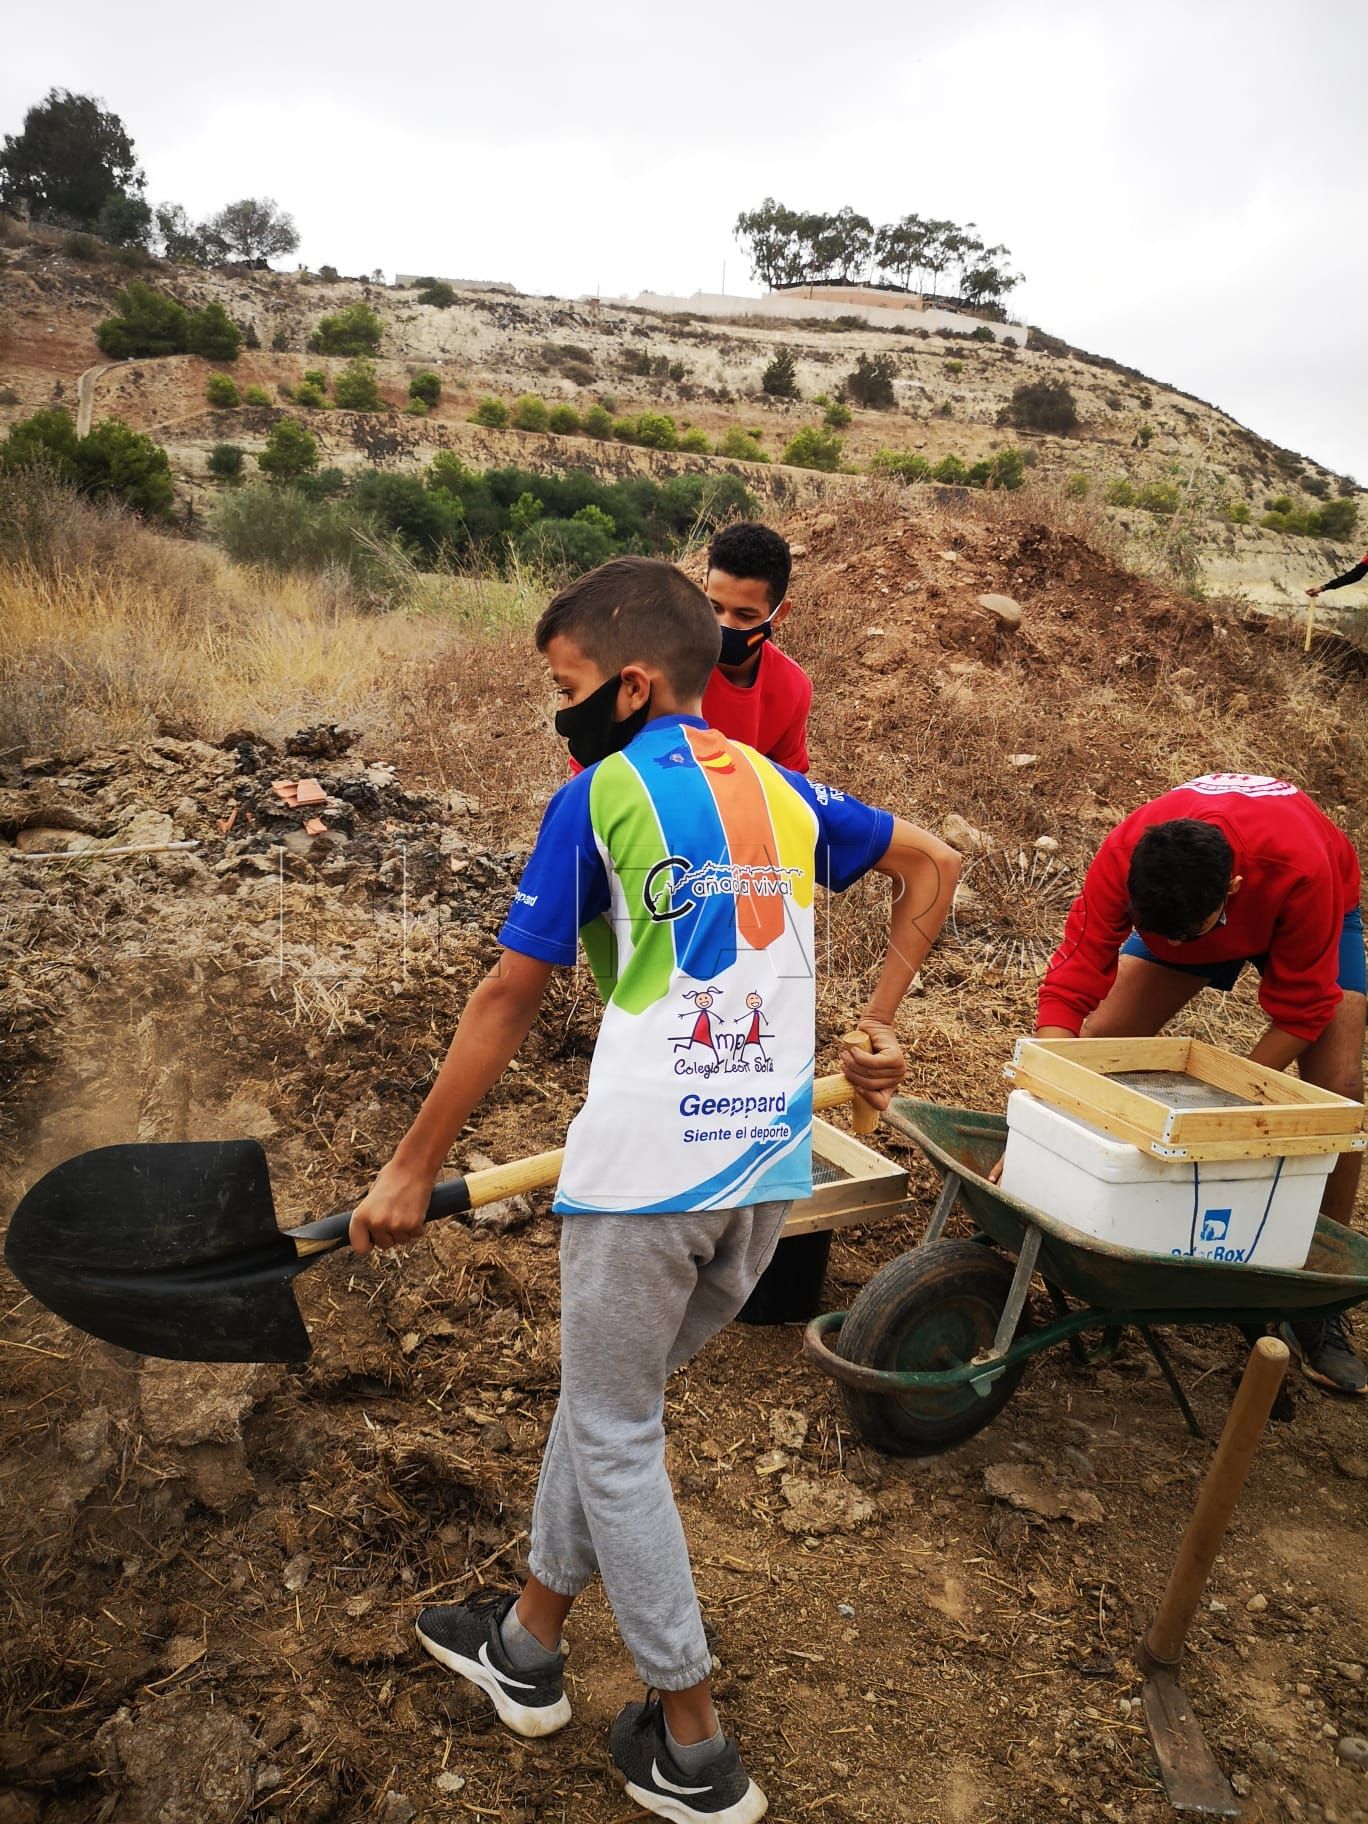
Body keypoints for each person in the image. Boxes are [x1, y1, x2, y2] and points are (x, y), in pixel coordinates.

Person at [349, 556, 962, 1822]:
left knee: (617, 1434)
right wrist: (880, 1022)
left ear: (630, 685)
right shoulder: (787, 792)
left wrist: (410, 1167)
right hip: (761, 1182)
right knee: (605, 1406)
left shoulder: (600, 797)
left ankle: (693, 1744)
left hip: (644, 1187)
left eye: (567, 685)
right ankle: (525, 1644)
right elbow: (935, 864)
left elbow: (507, 995)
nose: (559, 712)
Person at [1031, 771, 1366, 1396]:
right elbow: (1071, 983)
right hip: (1194, 904)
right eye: (1153, 930)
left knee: (1338, 1093)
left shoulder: (1300, 868)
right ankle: (1071, 1195)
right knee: (1105, 1041)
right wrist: (1049, 1109)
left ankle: (1318, 1302)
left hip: (1313, 901)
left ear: (1231, 889)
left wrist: (1228, 1109)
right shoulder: (1125, 854)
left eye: (1182, 936)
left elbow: (1303, 1008)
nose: (1168, 944)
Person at [701, 521, 813, 772]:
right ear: (704, 589)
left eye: (745, 615)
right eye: (715, 607)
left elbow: (789, 782)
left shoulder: (792, 689)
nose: (724, 625)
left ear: (779, 614)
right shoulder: (663, 662)